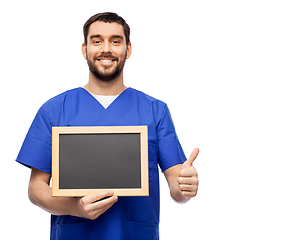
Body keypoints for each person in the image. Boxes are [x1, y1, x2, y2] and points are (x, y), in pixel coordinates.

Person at [16, 12, 199, 240]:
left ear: (128, 49)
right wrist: (75, 208)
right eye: (96, 41)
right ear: (85, 49)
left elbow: (176, 184)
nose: (106, 49)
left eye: (115, 41)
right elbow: (36, 189)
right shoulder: (55, 110)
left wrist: (185, 188)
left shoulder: (155, 111)